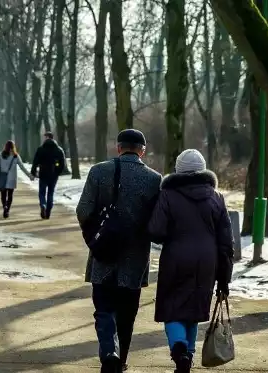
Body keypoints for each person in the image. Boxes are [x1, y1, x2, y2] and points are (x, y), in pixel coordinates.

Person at [76, 129, 162, 373]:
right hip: (134, 258)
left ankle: (108, 352)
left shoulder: (98, 171)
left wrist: (96, 235)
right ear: (142, 150)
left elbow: (83, 211)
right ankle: (121, 358)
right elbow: (157, 224)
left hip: (103, 253)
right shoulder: (155, 179)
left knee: (103, 308)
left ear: (118, 147)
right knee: (127, 313)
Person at [147, 149, 234, 373]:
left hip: (176, 259)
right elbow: (226, 243)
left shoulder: (168, 195)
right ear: (203, 169)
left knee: (172, 309)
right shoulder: (216, 198)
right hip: (207, 262)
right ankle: (189, 356)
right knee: (194, 311)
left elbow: (155, 231)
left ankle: (179, 350)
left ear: (178, 170)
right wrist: (224, 279)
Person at [0, 140, 34, 218]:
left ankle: (4, 206)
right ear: (13, 147)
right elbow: (22, 167)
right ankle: (7, 209)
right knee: (10, 195)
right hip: (12, 179)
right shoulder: (15, 156)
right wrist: (29, 175)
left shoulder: (1, 155)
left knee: (3, 195)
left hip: (2, 178)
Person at [31, 132, 66, 219]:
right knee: (50, 193)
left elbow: (35, 162)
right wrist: (58, 172)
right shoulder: (59, 150)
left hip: (43, 174)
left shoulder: (41, 149)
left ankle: (43, 204)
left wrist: (33, 172)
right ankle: (48, 211)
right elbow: (62, 163)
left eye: (45, 137)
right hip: (53, 175)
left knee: (42, 193)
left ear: (47, 138)